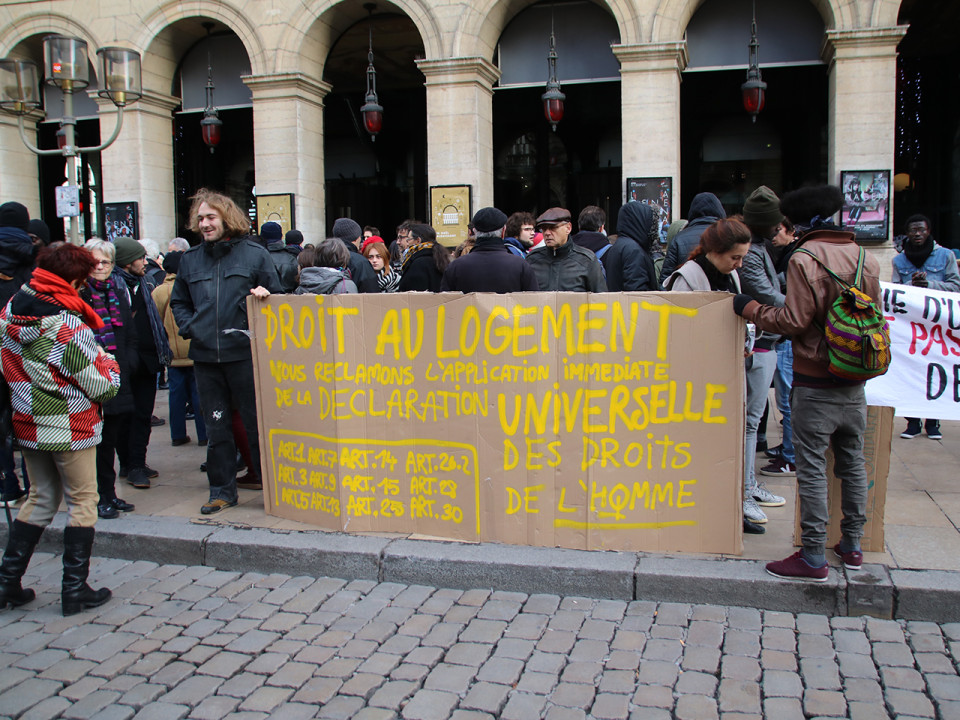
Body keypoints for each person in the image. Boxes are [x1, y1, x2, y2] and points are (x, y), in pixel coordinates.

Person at [734, 185, 881, 581]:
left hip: (815, 378)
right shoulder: (865, 256)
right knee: (851, 462)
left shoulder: (804, 258)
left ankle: (813, 554)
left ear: (798, 223)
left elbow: (793, 321)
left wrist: (750, 308)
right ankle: (852, 545)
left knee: (812, 467)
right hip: (854, 379)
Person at [0, 242, 121, 616]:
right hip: (70, 424)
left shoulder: (9, 314)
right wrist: (110, 363)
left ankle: (6, 583)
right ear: (72, 278)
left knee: (40, 497)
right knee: (83, 501)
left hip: (29, 422)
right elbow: (102, 385)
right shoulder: (65, 326)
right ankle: (74, 589)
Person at [171, 189, 281, 515]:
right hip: (206, 358)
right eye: (201, 218)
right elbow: (179, 301)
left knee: (256, 424)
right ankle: (221, 490)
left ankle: (273, 490)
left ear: (226, 218)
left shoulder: (254, 255)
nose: (205, 224)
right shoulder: (190, 260)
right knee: (216, 426)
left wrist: (267, 295)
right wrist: (191, 327)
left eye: (211, 217)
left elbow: (279, 297)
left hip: (245, 355)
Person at [738, 187, 791, 518]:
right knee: (749, 423)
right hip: (757, 346)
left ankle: (748, 483)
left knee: (753, 422)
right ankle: (743, 490)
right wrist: (806, 303)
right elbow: (766, 294)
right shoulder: (753, 254)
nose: (779, 228)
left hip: (764, 344)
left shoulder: (758, 251)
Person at [892, 214, 960, 440]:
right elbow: (894, 290)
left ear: (928, 231)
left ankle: (933, 423)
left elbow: (955, 287)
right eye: (913, 230)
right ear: (907, 233)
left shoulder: (945, 255)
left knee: (935, 372)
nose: (917, 234)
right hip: (910, 328)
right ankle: (912, 423)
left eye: (921, 230)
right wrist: (911, 286)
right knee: (911, 371)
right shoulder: (899, 260)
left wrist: (929, 285)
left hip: (936, 328)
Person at [83, 240, 137, 519]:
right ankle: (98, 496)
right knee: (96, 442)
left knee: (112, 437)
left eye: (106, 262)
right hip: (91, 377)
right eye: (95, 262)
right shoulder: (80, 294)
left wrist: (126, 363)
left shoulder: (117, 291)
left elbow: (127, 331)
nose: (101, 267)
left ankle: (110, 493)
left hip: (116, 374)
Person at [112, 238, 172, 491]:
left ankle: (137, 461)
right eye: (140, 258)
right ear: (126, 261)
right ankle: (130, 464)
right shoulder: (113, 287)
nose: (144, 262)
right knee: (125, 415)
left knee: (142, 415)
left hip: (147, 360)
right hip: (123, 363)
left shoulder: (142, 284)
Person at [0, 202, 38, 508]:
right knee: (28, 418)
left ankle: (7, 487)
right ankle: (36, 486)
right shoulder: (35, 261)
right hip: (28, 353)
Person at [151, 250, 207, 449]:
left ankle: (177, 434)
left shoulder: (159, 291)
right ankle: (204, 435)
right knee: (198, 394)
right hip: (194, 348)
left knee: (176, 395)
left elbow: (155, 320)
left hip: (173, 352)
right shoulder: (192, 287)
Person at [441, 207, 540, 293]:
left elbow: (445, 304)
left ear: (474, 232)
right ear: (503, 232)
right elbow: (533, 304)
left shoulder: (455, 267)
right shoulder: (521, 265)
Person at [526, 207, 607, 292]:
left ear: (568, 228)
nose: (547, 233)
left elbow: (600, 299)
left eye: (553, 227)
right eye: (544, 229)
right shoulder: (532, 260)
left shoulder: (586, 260)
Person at [659, 192, 727, 285]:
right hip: (719, 294)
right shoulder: (726, 236)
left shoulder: (679, 238)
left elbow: (665, 280)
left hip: (685, 295)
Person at [601, 201, 658, 291]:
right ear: (639, 221)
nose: (653, 229)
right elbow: (637, 291)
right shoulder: (633, 250)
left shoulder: (619, 245)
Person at [331, 217, 378, 293]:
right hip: (352, 304)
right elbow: (372, 295)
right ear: (357, 238)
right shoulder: (360, 262)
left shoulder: (323, 258)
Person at [397, 223, 449, 292]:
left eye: (408, 240)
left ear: (418, 240)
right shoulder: (440, 257)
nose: (407, 243)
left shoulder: (418, 264)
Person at [262, 221, 300, 293]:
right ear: (281, 236)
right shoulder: (292, 258)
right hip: (288, 301)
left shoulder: (257, 258)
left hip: (263, 302)